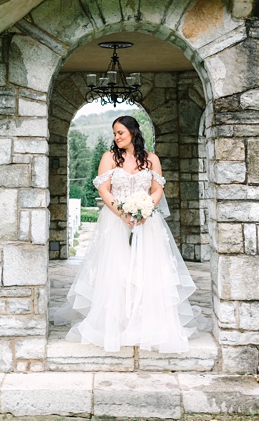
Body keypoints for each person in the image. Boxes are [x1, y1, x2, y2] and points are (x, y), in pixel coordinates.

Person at [56, 115, 197, 353]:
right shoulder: (109, 157)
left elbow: (157, 189)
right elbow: (103, 188)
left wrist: (145, 210)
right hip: (115, 223)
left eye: (120, 132)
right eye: (114, 133)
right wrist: (122, 213)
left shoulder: (151, 159)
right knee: (117, 271)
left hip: (147, 224)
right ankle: (117, 325)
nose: (117, 137)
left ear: (133, 132)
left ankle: (147, 325)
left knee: (148, 272)